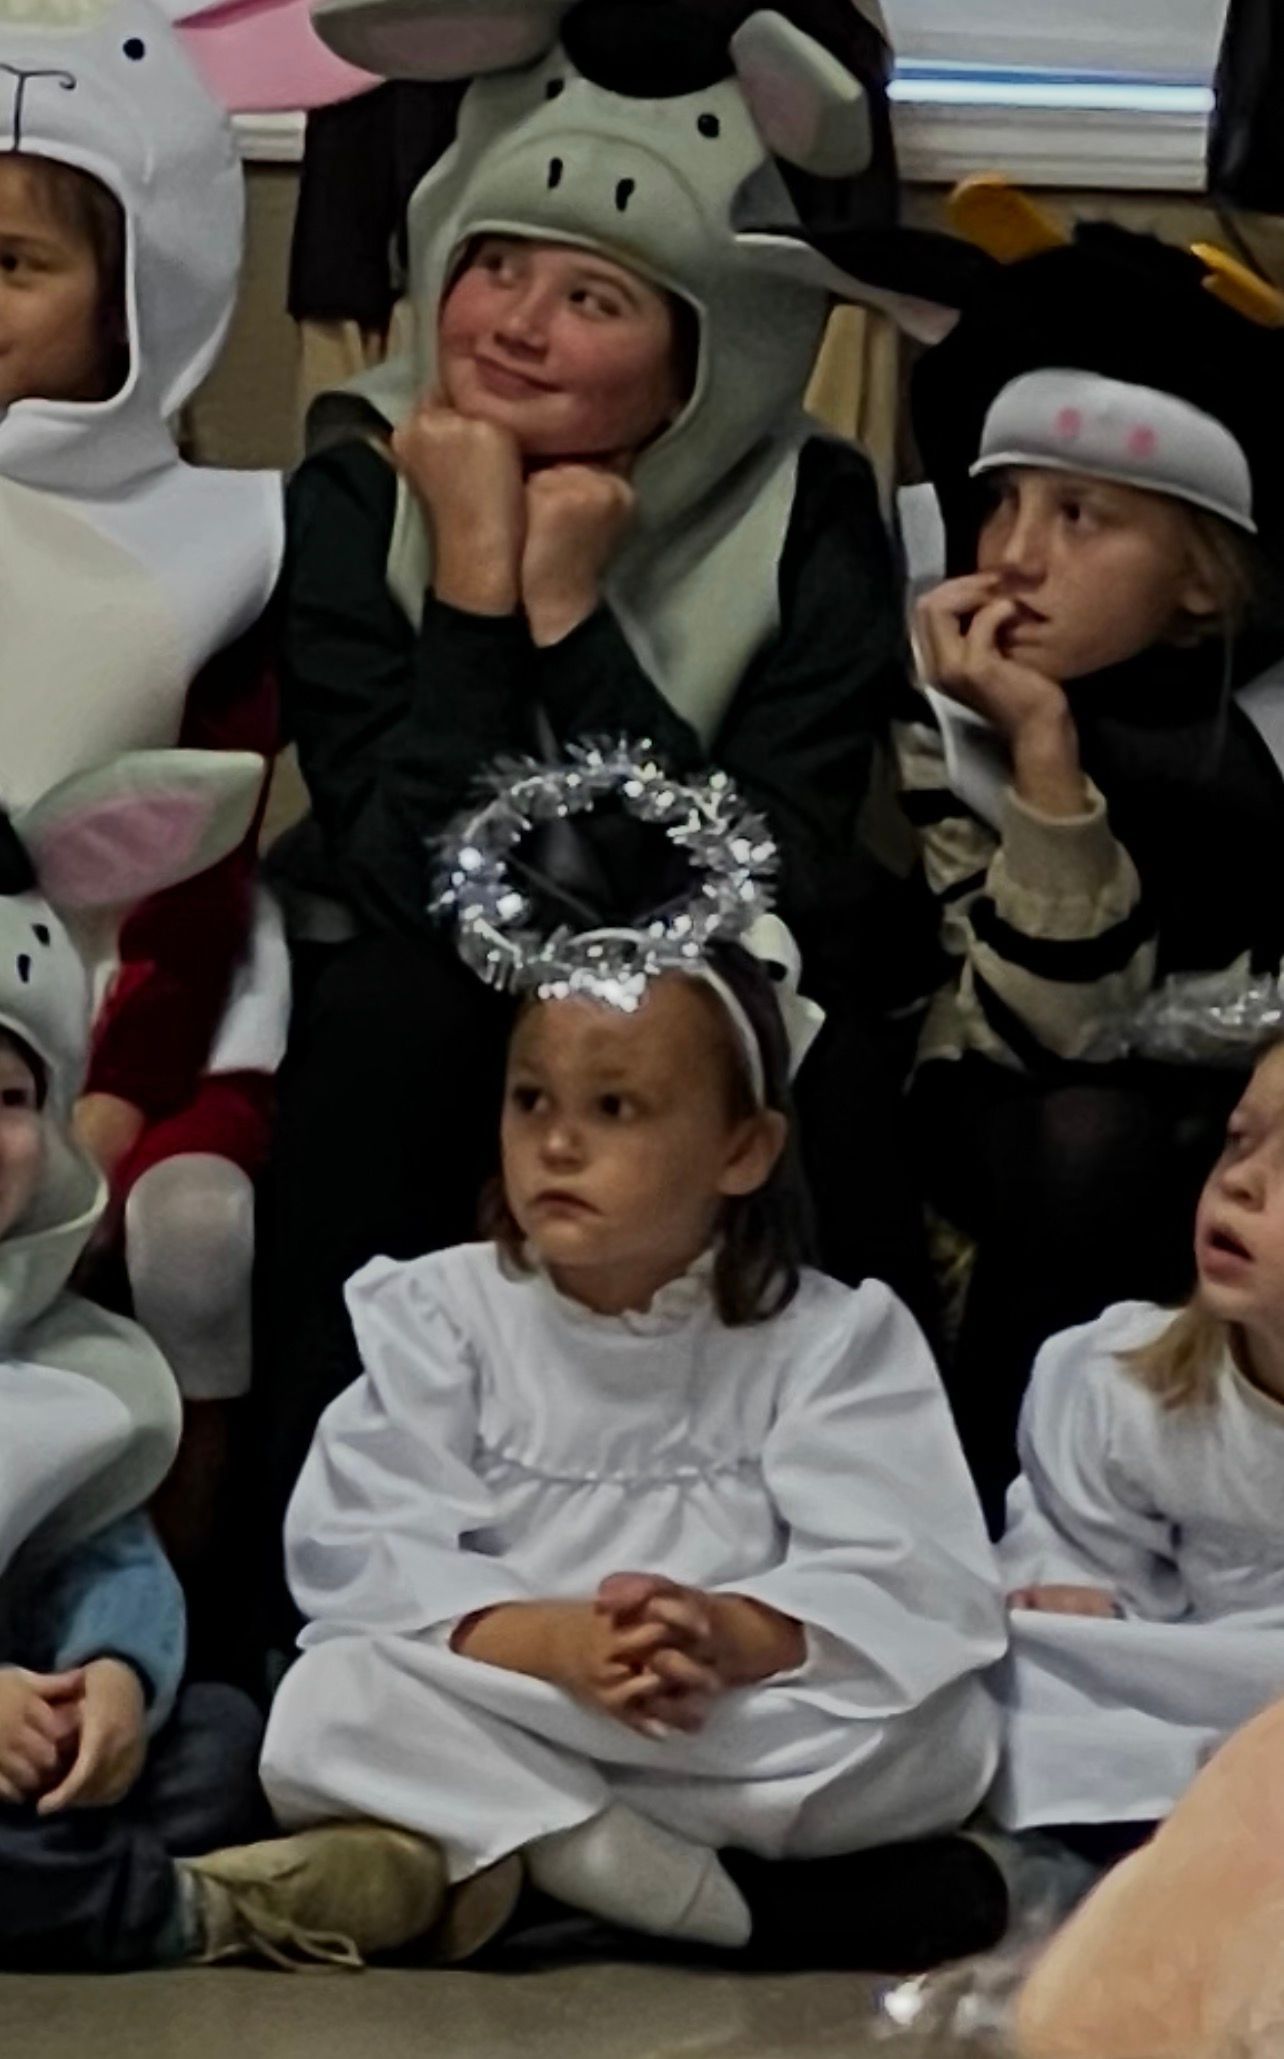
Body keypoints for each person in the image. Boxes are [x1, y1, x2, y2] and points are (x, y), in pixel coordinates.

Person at [258, 0, 962, 1593]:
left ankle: (829, 1579)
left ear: (705, 351)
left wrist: (574, 624)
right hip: (428, 920)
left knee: (803, 1056)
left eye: (594, 298)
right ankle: (320, 1599)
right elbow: (392, 857)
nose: (512, 324)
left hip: (710, 943)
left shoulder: (805, 506)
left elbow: (753, 868)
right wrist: (477, 595)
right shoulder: (367, 466)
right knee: (385, 1021)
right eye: (495, 265)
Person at [195, 751, 1009, 1974]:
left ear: (743, 1148)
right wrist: (558, 1646)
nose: (558, 1141)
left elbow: (909, 1573)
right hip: (523, 1688)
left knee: (945, 1733)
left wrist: (729, 1634)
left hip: (717, 1716)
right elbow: (363, 1557)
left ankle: (519, 1849)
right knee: (325, 1706)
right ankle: (680, 1893)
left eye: (616, 1108)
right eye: (531, 1100)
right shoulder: (441, 1314)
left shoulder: (830, 1337)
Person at [895, 200, 1284, 1522]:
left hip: (1256, 1109)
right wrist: (1044, 765)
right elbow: (1046, 1030)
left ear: (1202, 582)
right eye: (1003, 502)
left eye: (1081, 516)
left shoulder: (1267, 732)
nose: (1013, 554)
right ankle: (1009, 1520)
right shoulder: (959, 715)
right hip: (1022, 1102)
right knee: (1086, 1137)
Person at [0, 0, 296, 1579]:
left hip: (143, 1012)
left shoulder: (222, 541)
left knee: (193, 1234)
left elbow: (199, 862)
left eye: (11, 265)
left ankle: (180, 1590)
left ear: (142, 295)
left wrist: (108, 1106)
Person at [0, 748, 272, 1971]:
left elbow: (105, 1552)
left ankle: (77, 1870)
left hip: (30, 1747)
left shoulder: (67, 1347)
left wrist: (109, 1676)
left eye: (8, 1096)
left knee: (222, 1735)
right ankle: (171, 1908)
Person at [981, 1035, 1284, 1911]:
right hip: (1183, 1671)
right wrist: (1070, 1581)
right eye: (1238, 1139)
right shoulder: (1125, 1378)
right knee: (1012, 1666)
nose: (1239, 1182)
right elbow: (1070, 1524)